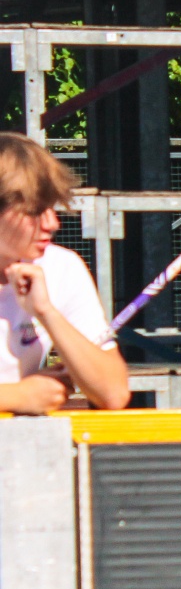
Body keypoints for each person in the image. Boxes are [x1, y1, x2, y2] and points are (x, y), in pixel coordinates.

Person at [0, 134, 127, 414]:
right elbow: (21, 395)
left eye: (52, 207)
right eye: (34, 210)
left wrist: (46, 312)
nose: (52, 223)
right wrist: (16, 396)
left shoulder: (60, 266)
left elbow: (113, 393)